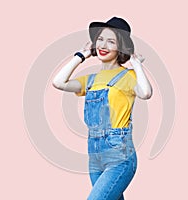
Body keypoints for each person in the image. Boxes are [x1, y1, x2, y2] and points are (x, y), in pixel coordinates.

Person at [52, 16, 152, 200]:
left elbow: (145, 93)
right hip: (95, 157)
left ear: (121, 47)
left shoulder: (128, 76)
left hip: (119, 157)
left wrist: (136, 64)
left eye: (111, 41)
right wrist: (80, 56)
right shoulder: (90, 80)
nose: (103, 45)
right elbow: (58, 82)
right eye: (100, 39)